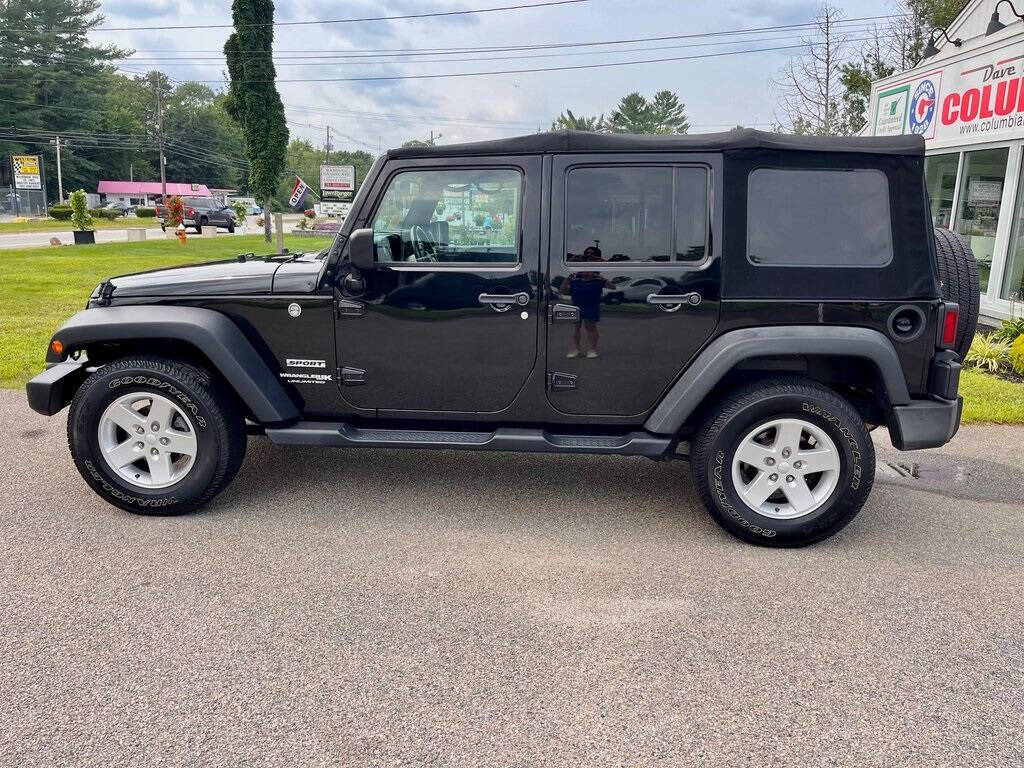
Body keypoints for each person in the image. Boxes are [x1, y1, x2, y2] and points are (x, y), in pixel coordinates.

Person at [563, 245, 610, 358]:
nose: (589, 254)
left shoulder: (598, 266)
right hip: (579, 294)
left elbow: (611, 282)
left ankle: (592, 350)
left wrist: (596, 274)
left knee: (590, 326)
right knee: (576, 326)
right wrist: (575, 258)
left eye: (592, 253)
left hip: (592, 295)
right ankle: (576, 349)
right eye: (587, 252)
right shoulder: (580, 262)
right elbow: (568, 266)